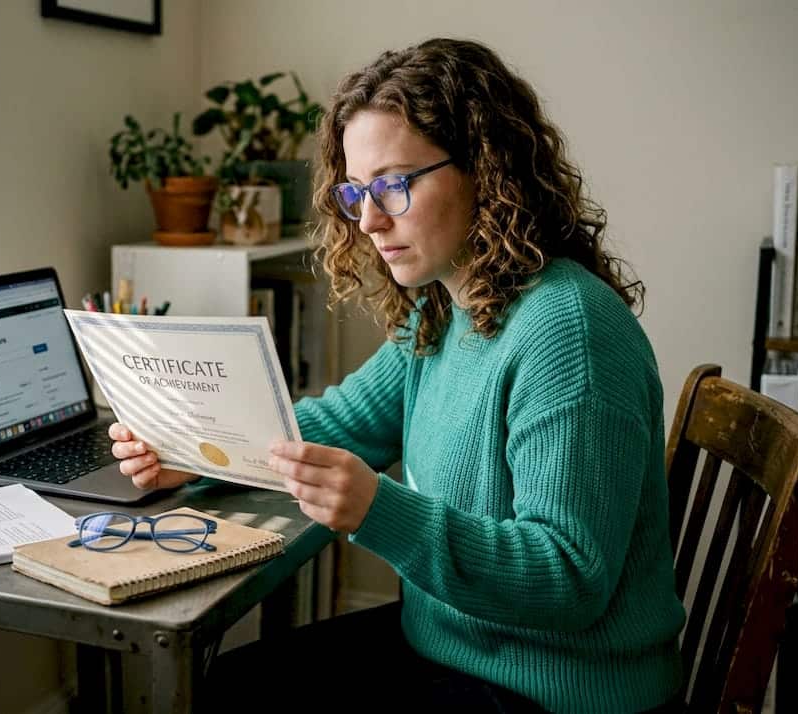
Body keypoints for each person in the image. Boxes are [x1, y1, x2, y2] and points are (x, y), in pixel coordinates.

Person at [108, 37, 685, 713]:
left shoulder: (568, 331)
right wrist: (192, 449)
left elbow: (570, 579)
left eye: (394, 185)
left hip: (556, 691)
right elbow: (340, 422)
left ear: (486, 170)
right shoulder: (443, 309)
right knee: (230, 685)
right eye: (357, 191)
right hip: (455, 648)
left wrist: (378, 510)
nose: (369, 220)